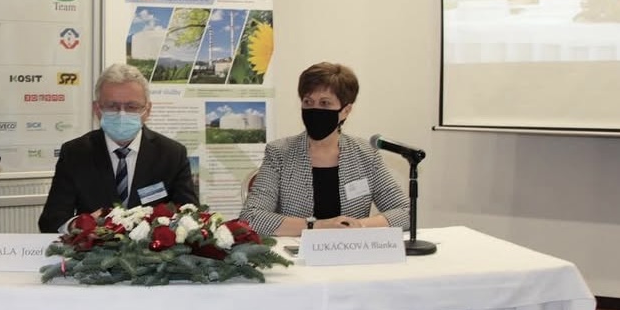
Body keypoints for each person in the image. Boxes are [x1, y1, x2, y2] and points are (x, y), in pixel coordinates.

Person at [239, 62, 409, 238]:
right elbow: (251, 217)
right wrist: (317, 226)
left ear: (346, 111)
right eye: (308, 102)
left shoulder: (365, 154)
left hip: (351, 249)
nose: (315, 110)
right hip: (297, 252)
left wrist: (359, 225)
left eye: (325, 103)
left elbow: (406, 212)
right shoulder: (279, 153)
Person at [37, 62, 197, 233]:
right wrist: (78, 225)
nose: (122, 114)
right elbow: (51, 220)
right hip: (93, 248)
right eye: (112, 106)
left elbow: (189, 215)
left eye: (131, 107)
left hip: (152, 249)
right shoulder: (75, 153)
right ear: (97, 109)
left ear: (147, 110)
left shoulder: (172, 154)